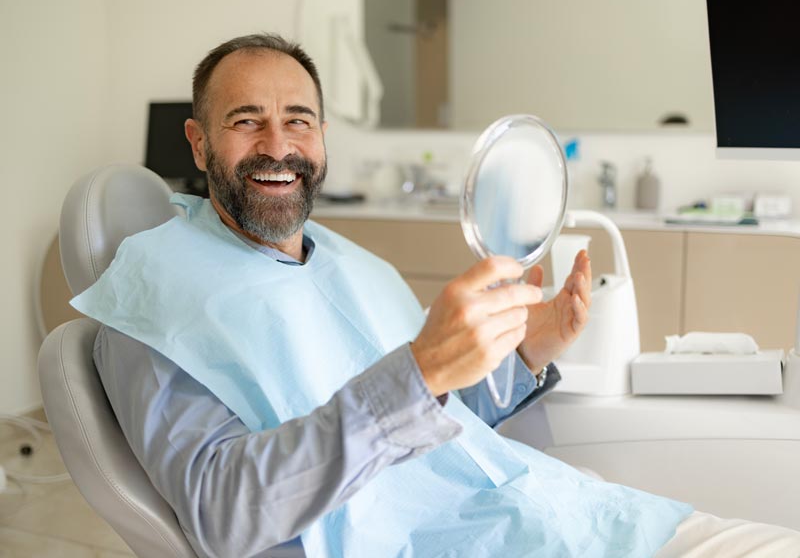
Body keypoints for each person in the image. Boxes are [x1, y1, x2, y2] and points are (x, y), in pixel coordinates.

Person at [72, 34, 800, 558]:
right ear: (198, 145)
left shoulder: (351, 267)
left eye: (298, 119)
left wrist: (521, 353)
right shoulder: (152, 302)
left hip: (529, 513)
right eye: (245, 121)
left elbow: (428, 422)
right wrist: (417, 371)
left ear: (322, 139)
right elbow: (222, 516)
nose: (277, 143)